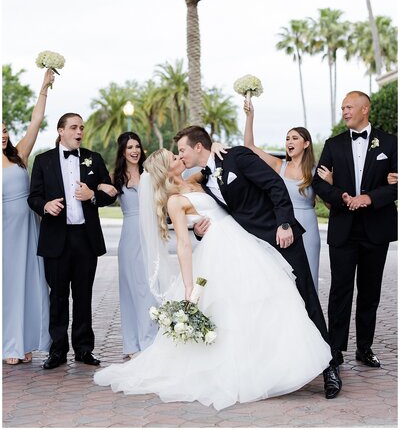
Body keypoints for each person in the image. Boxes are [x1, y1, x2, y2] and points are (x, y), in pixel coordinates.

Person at [94, 148, 331, 410]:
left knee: (266, 302)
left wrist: (215, 143)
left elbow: (211, 164)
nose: (178, 157)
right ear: (166, 169)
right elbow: (183, 245)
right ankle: (246, 371)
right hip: (219, 251)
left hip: (243, 241)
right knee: (232, 311)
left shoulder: (195, 179)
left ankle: (276, 363)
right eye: (174, 157)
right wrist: (188, 286)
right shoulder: (174, 200)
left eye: (179, 152)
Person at [173, 125, 342, 398]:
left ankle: (331, 367)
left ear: (198, 146)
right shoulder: (204, 179)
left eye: (182, 150)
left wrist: (285, 223)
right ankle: (284, 368)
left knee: (306, 299)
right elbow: (219, 214)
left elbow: (274, 184)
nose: (180, 155)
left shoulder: (237, 157)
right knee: (278, 306)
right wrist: (199, 232)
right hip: (251, 248)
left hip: (279, 237)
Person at [313, 91, 397, 369]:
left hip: (377, 227)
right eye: (342, 108)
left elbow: (397, 183)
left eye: (349, 107)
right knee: (340, 290)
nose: (345, 112)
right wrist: (342, 197)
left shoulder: (390, 142)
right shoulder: (333, 144)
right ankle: (335, 350)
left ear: (365, 109)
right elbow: (319, 183)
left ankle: (365, 348)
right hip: (343, 228)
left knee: (370, 291)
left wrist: (370, 198)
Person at [28, 112, 116, 369]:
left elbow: (109, 193)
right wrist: (45, 205)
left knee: (83, 295)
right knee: (57, 297)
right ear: (60, 131)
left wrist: (92, 195)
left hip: (85, 239)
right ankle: (57, 351)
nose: (80, 132)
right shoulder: (43, 161)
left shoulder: (93, 159)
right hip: (56, 238)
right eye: (74, 128)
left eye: (82, 128)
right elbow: (33, 196)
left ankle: (84, 349)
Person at [2, 69, 54, 365]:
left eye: (5, 128)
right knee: (8, 287)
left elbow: (36, 122)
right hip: (5, 234)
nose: (4, 133)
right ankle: (9, 344)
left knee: (32, 284)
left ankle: (26, 341)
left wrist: (43, 88)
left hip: (29, 229)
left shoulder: (18, 155)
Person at [243, 97, 321, 290]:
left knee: (309, 277)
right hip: (283, 224)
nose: (289, 142)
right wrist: (250, 116)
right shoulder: (279, 165)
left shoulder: (316, 171)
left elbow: (329, 202)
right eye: (287, 138)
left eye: (295, 138)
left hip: (309, 226)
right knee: (284, 278)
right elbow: (249, 147)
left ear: (306, 144)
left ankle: (312, 319)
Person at [98, 132, 157, 358]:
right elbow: (99, 193)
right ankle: (132, 344)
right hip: (129, 236)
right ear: (122, 151)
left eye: (137, 146)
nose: (134, 150)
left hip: (150, 234)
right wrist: (102, 188)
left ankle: (150, 340)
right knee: (131, 290)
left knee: (149, 288)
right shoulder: (116, 176)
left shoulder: (150, 173)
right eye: (129, 147)